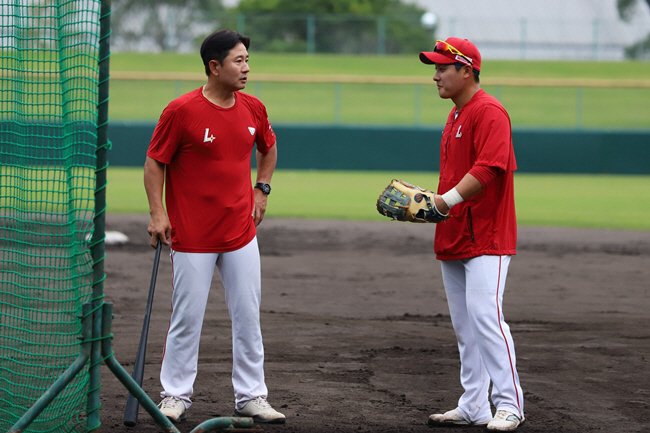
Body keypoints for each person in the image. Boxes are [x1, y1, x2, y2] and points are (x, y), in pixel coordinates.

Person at [143, 29, 284, 424]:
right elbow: (155, 162)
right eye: (239, 61)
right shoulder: (181, 111)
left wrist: (262, 189)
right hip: (192, 236)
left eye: (247, 61)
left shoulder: (254, 108)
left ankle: (252, 396)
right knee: (187, 318)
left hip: (240, 232)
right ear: (214, 66)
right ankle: (175, 395)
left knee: (247, 315)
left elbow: (268, 146)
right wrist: (158, 214)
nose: (246, 68)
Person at [418, 38, 525, 431]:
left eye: (443, 68)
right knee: (466, 325)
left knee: (486, 317)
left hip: (487, 235)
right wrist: (437, 203)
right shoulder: (456, 115)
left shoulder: (489, 111)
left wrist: (443, 201)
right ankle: (474, 404)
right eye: (435, 67)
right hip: (455, 232)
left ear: (467, 70)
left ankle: (510, 403)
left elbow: (491, 167)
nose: (436, 75)